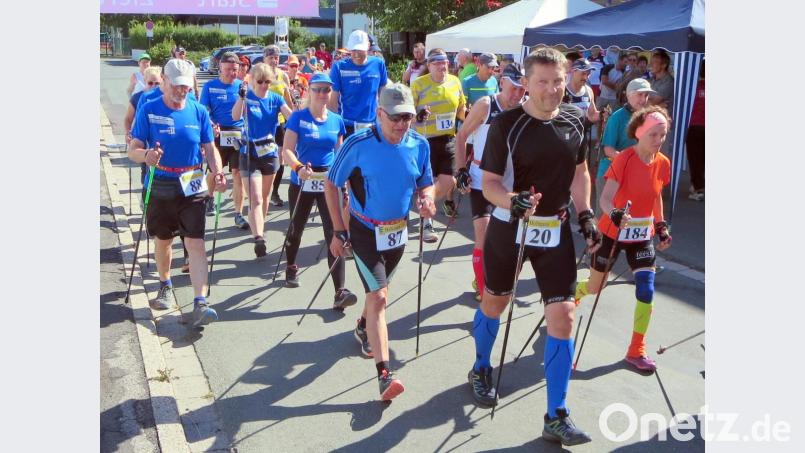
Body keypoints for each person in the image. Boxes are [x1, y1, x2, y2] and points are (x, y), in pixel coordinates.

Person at [467, 48, 600, 446]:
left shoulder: (575, 120)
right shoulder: (506, 125)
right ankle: (480, 366)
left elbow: (580, 173)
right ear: (526, 83)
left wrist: (586, 214)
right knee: (495, 303)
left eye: (558, 81)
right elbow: (490, 184)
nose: (552, 90)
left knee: (564, 316)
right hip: (510, 227)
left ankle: (556, 414)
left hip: (554, 230)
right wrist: (513, 201)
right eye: (543, 82)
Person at [324, 83, 436, 401]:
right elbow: (332, 184)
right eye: (395, 117)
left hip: (398, 232)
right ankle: (384, 375)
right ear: (379, 114)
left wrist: (427, 200)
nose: (401, 124)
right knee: (380, 296)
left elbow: (425, 183)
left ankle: (363, 324)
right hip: (364, 231)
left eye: (407, 117)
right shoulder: (358, 143)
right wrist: (338, 230)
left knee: (378, 294)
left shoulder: (419, 144)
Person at [127, 58, 227, 325]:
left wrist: (217, 171)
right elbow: (132, 149)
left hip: (192, 181)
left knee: (196, 242)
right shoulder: (149, 109)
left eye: (186, 86)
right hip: (161, 181)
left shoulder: (198, 111)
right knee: (164, 240)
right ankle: (165, 284)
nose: (182, 91)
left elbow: (210, 148)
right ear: (165, 81)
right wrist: (146, 155)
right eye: (177, 85)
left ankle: (200, 302)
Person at [575, 106, 673, 373]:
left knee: (646, 290)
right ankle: (574, 294)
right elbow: (605, 199)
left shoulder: (662, 162)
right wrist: (616, 214)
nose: (659, 140)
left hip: (641, 234)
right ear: (639, 133)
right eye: (653, 134)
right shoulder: (625, 160)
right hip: (612, 232)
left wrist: (660, 225)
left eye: (663, 134)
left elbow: (655, 195)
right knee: (595, 287)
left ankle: (636, 350)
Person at [280, 73, 359, 308]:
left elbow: (340, 153)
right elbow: (287, 150)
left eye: (327, 89)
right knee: (296, 228)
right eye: (318, 89)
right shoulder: (298, 117)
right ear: (309, 91)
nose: (323, 94)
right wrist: (298, 167)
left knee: (335, 232)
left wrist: (345, 181)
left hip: (329, 181)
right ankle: (291, 265)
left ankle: (339, 291)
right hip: (303, 178)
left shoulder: (336, 120)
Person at [454, 63, 526, 301]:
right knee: (483, 235)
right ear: (502, 82)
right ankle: (484, 290)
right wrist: (461, 170)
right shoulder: (486, 105)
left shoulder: (525, 109)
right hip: (480, 179)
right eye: (513, 88)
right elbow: (462, 136)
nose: (517, 94)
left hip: (508, 182)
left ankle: (492, 279)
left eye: (522, 89)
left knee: (508, 239)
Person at [232, 63, 294, 258]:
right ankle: (259, 238)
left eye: (267, 81)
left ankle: (259, 225)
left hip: (268, 151)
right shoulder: (247, 97)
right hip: (249, 151)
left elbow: (291, 117)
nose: (264, 85)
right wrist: (241, 98)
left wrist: (300, 111)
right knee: (256, 198)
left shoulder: (275, 98)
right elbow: (235, 115)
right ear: (252, 81)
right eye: (260, 81)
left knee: (265, 197)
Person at [410, 48, 466, 242]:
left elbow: (461, 108)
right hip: (425, 140)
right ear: (429, 65)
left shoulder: (455, 81)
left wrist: (471, 119)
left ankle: (426, 204)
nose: (443, 66)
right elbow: (407, 113)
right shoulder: (419, 84)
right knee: (426, 182)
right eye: (438, 63)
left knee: (449, 181)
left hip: (449, 139)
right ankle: (427, 223)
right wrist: (418, 115)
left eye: (445, 63)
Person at [199, 51, 249, 229]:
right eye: (228, 69)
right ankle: (209, 197)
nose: (231, 73)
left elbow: (248, 112)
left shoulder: (241, 87)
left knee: (238, 174)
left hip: (237, 134)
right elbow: (203, 111)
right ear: (220, 68)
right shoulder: (210, 86)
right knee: (215, 171)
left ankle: (238, 214)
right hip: (218, 133)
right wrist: (211, 125)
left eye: (235, 70)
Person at [598, 78, 654, 200]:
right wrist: (632, 162)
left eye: (646, 95)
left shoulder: (647, 117)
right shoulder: (616, 118)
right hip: (610, 174)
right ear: (629, 95)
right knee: (607, 212)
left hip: (633, 174)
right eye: (640, 94)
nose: (643, 99)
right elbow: (608, 150)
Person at [328, 30, 389, 137]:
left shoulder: (379, 64)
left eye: (360, 50)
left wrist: (384, 121)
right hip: (347, 126)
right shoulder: (339, 67)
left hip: (372, 126)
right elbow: (333, 101)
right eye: (353, 50)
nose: (356, 54)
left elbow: (383, 96)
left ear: (368, 46)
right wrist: (334, 128)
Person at [263, 45, 298, 207]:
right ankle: (262, 189)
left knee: (280, 157)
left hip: (280, 122)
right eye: (271, 57)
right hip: (262, 122)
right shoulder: (258, 74)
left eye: (276, 58)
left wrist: (293, 120)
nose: (274, 60)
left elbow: (288, 100)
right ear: (264, 58)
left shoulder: (283, 75)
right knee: (263, 157)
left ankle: (274, 192)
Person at [686, 61, 705, 201]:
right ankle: (697, 185)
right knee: (702, 158)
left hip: (693, 127)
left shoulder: (693, 87)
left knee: (694, 159)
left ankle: (698, 188)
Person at [563, 58, 601, 124]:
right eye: (583, 74)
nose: (586, 78)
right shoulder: (563, 91)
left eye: (588, 74)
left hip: (584, 130)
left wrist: (602, 114)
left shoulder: (588, 90)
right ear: (573, 71)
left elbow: (592, 115)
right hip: (567, 130)